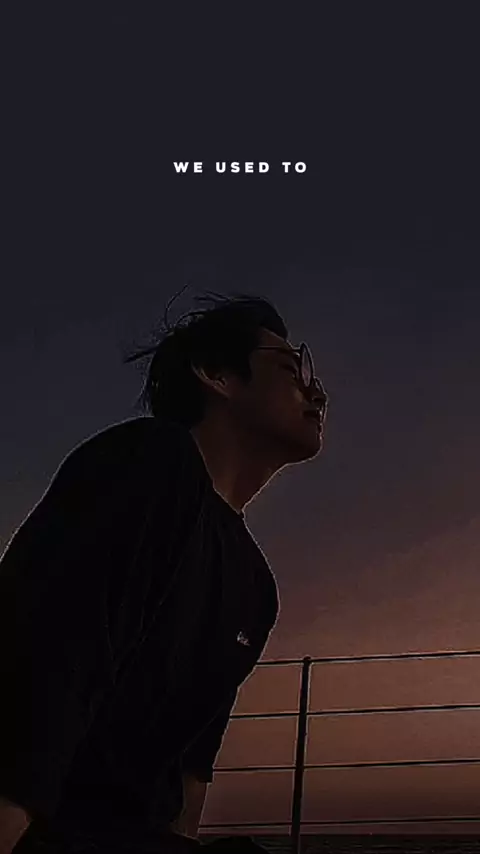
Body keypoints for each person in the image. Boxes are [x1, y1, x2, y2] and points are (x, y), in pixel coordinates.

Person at [0, 288, 328, 854]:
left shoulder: (256, 587)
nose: (316, 391)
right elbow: (44, 664)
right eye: (289, 368)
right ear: (216, 375)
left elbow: (188, 776)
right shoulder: (149, 462)